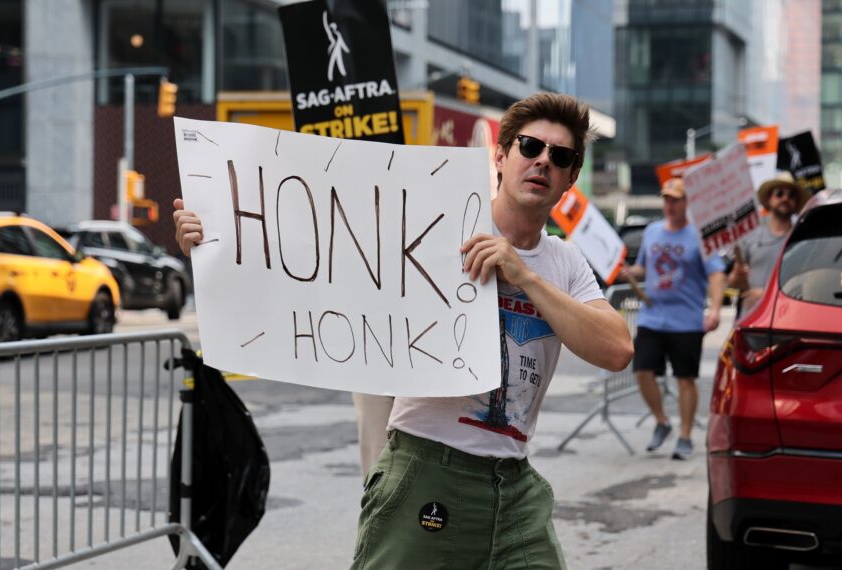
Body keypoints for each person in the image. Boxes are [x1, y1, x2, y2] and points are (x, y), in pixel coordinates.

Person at [174, 92, 634, 568]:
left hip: (514, 486)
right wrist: (218, 241)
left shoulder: (562, 262)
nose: (542, 161)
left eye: (559, 156)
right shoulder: (433, 223)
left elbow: (617, 348)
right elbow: (315, 260)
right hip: (428, 468)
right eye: (530, 147)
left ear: (571, 177)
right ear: (500, 154)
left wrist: (526, 277)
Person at [620, 177, 725, 461]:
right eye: (666, 199)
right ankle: (662, 421)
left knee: (685, 380)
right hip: (652, 317)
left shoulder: (701, 236)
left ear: (687, 202)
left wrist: (714, 308)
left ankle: (686, 436)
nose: (669, 204)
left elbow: (716, 273)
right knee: (642, 371)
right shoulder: (653, 231)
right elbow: (644, 266)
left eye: (675, 199)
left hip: (687, 321)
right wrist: (631, 272)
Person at [728, 172, 809, 315]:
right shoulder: (750, 234)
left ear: (796, 202)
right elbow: (733, 283)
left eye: (791, 195)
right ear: (769, 198)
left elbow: (805, 283)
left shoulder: (802, 239)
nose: (785, 198)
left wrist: (765, 295)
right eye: (779, 193)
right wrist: (737, 276)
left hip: (787, 316)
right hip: (751, 319)